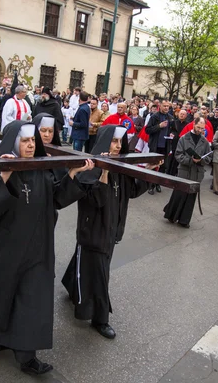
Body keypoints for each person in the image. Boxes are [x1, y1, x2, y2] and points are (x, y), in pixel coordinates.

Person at [0, 120, 96, 375]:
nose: (30, 145)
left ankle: (26, 356)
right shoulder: (1, 164)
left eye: (32, 140)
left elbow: (56, 200)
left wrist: (72, 175)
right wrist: (5, 178)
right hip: (5, 247)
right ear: (13, 141)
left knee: (32, 300)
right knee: (2, 296)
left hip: (38, 247)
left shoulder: (42, 167)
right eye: (25, 140)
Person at [62, 125, 161, 339]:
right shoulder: (90, 167)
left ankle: (72, 285)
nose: (116, 147)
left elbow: (132, 191)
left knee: (90, 264)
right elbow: (96, 199)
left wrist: (149, 169)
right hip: (94, 229)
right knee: (100, 273)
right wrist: (104, 171)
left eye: (120, 142)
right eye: (113, 141)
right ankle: (100, 318)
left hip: (112, 228)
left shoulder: (121, 166)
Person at [164, 117, 212, 227]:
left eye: (202, 128)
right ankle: (172, 216)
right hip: (184, 171)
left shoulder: (204, 141)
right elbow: (178, 155)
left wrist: (201, 160)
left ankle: (184, 220)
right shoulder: (184, 138)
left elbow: (209, 157)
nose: (200, 130)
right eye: (198, 127)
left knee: (191, 198)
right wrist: (190, 160)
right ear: (193, 125)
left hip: (197, 173)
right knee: (179, 194)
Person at [145, 100, 174, 194]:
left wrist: (172, 134)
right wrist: (159, 126)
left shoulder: (171, 118)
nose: (166, 108)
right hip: (155, 145)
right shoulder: (154, 116)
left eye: (168, 106)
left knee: (163, 166)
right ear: (160, 106)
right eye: (164, 106)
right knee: (153, 165)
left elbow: (174, 130)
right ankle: (150, 186)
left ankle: (157, 183)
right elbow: (148, 130)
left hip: (165, 146)